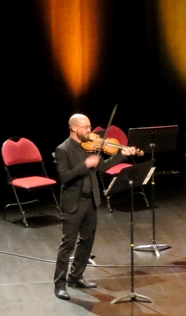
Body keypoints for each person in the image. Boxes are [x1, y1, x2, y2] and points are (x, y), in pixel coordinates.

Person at [53, 114, 137, 300]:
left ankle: (76, 276)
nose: (90, 131)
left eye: (90, 127)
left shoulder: (89, 146)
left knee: (87, 241)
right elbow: (65, 177)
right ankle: (60, 284)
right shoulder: (62, 150)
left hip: (91, 201)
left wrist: (121, 155)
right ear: (73, 128)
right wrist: (85, 165)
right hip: (73, 204)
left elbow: (103, 167)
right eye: (86, 127)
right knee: (68, 244)